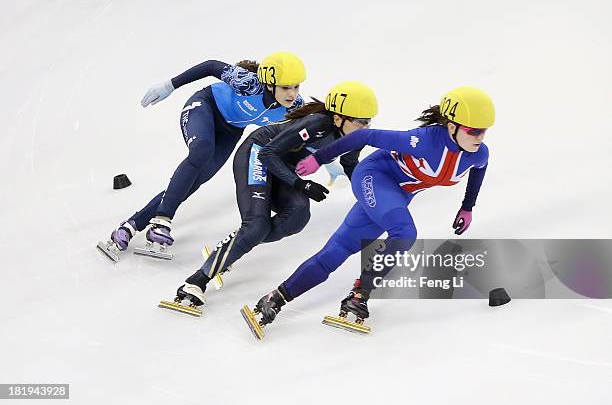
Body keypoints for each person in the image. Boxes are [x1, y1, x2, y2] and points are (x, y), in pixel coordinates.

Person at [240, 86, 495, 338]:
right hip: (374, 177)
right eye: (473, 130)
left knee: (338, 250)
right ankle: (360, 294)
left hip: (397, 196)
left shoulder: (478, 154)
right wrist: (319, 159)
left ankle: (275, 298)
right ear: (452, 127)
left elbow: (480, 169)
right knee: (405, 232)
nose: (480, 136)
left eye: (484, 131)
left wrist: (467, 207)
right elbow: (364, 137)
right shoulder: (424, 140)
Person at [159, 81, 379, 315]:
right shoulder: (316, 124)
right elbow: (268, 153)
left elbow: (350, 164)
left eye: (369, 121)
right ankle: (195, 281)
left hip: (283, 166)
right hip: (259, 152)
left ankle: (233, 247)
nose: (366, 127)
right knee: (256, 225)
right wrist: (300, 183)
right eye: (361, 121)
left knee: (298, 217)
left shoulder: (356, 137)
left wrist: (369, 198)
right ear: (338, 118)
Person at [97, 52, 307, 262]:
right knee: (202, 150)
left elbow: (312, 132)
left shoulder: (295, 108)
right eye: (286, 87)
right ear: (270, 84)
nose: (292, 94)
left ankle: (131, 225)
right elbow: (210, 65)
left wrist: (322, 158)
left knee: (195, 180)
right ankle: (162, 220)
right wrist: (170, 85)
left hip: (230, 131)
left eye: (296, 86)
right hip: (205, 106)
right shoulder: (249, 83)